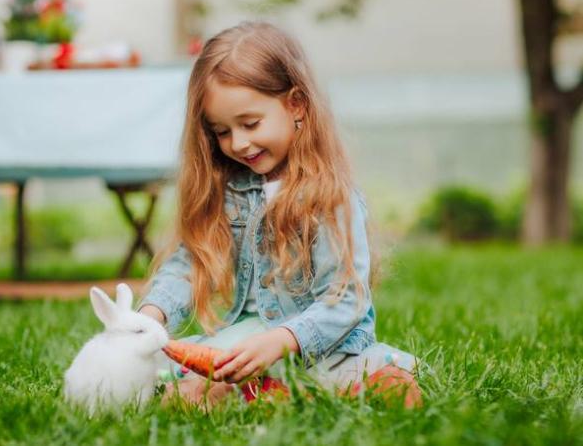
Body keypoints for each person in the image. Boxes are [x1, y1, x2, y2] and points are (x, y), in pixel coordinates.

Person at [136, 21, 421, 406]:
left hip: (318, 346)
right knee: (152, 366)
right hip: (247, 339)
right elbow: (190, 263)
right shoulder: (230, 191)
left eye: (250, 124)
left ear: (296, 104)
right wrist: (152, 316)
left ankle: (262, 392)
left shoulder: (330, 198)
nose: (238, 143)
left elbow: (345, 300)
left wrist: (283, 341)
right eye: (221, 131)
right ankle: (260, 392)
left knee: (354, 374)